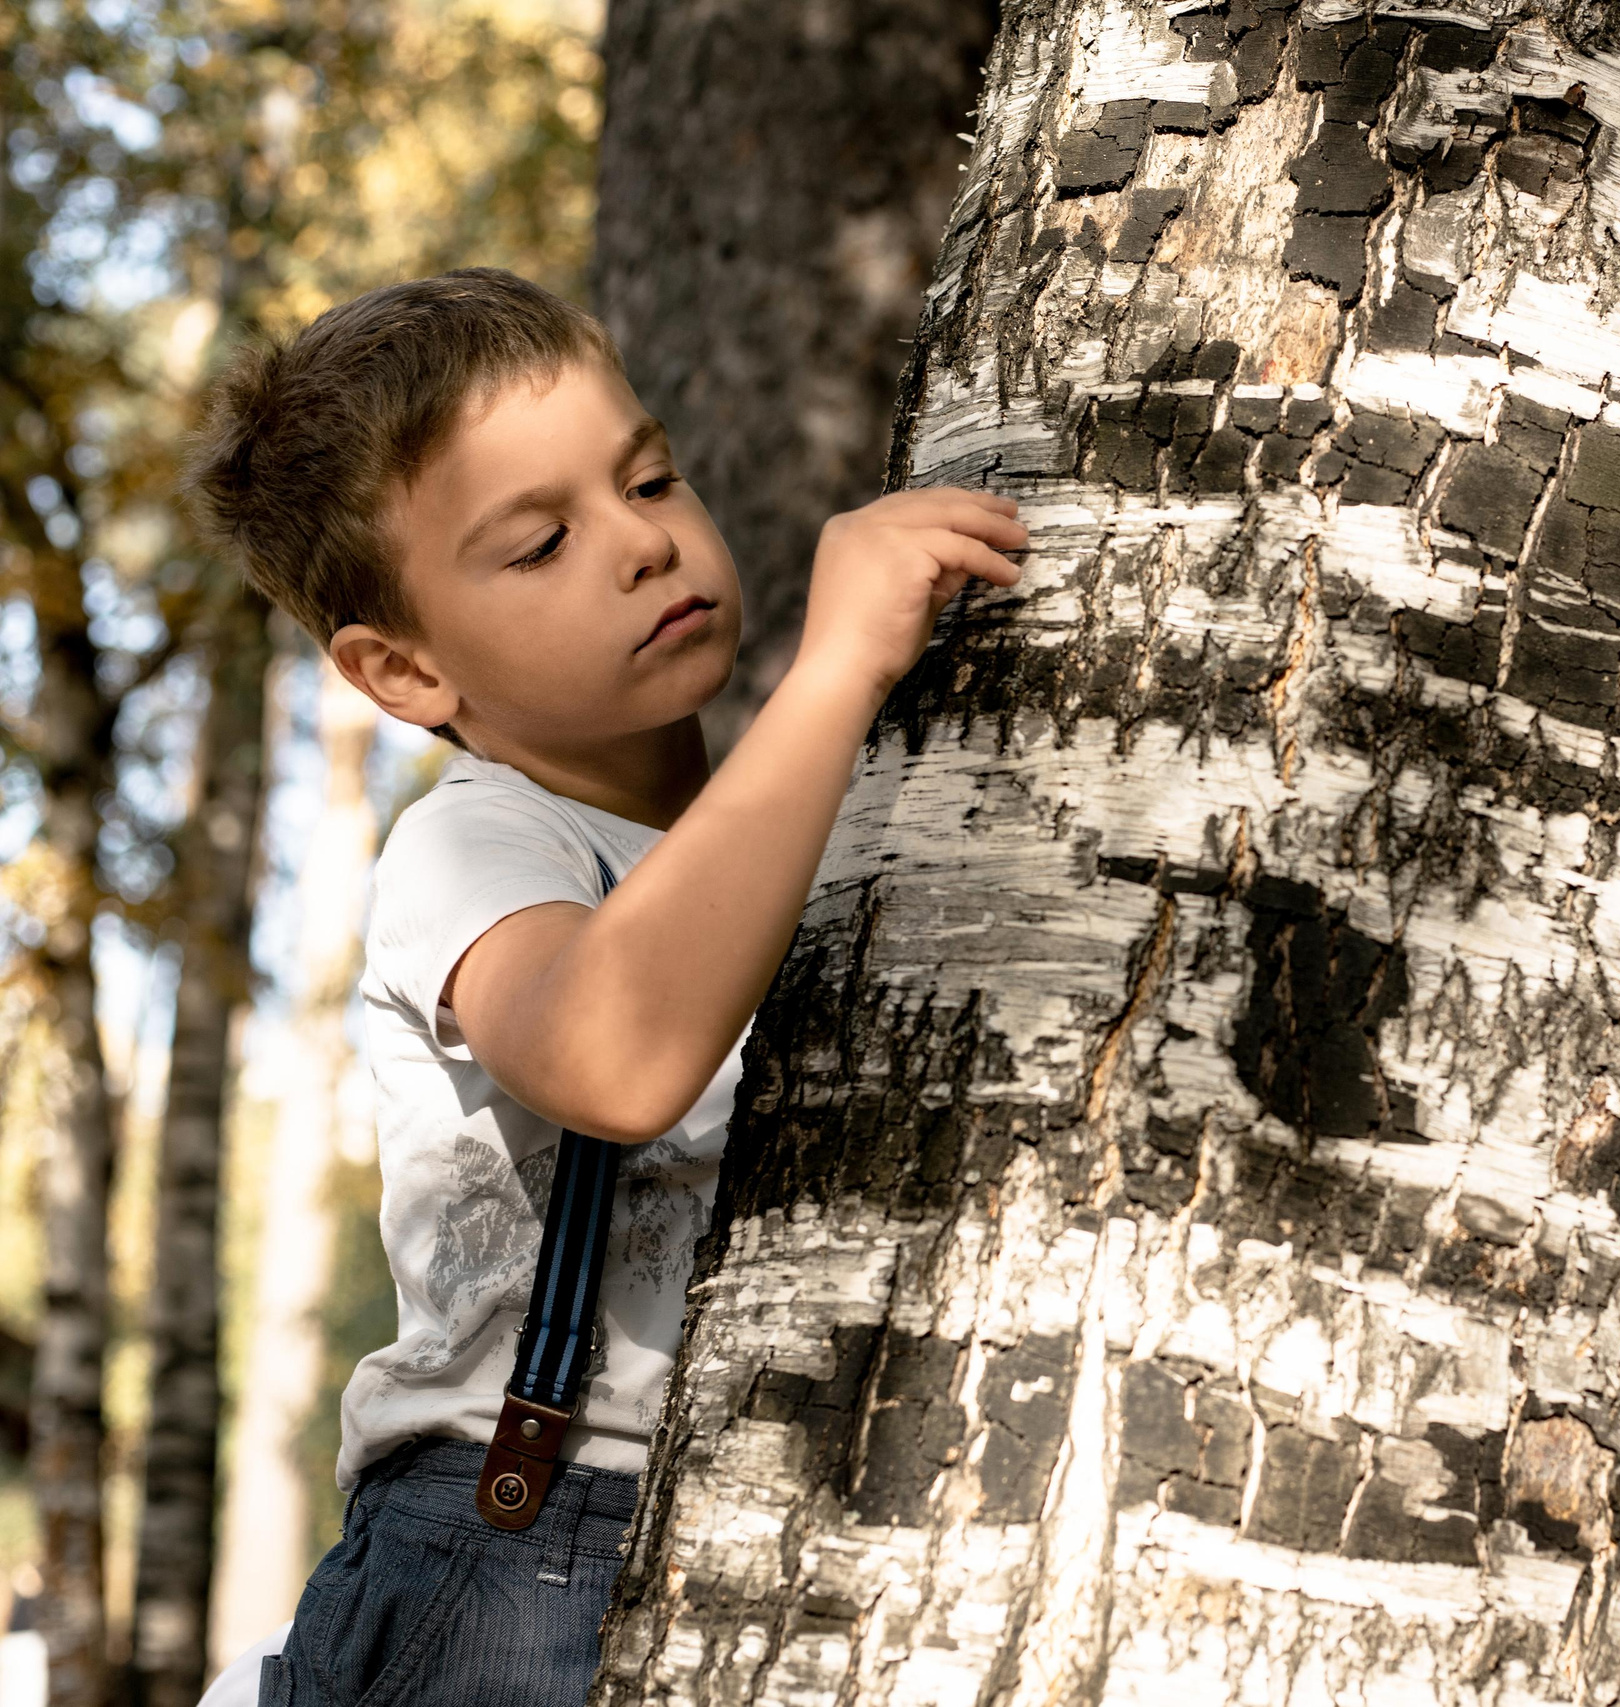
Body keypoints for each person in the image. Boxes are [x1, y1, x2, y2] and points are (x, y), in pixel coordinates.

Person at [183, 267, 1025, 1707]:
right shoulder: (474, 839)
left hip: (767, 1513)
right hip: (517, 1553)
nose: (640, 544)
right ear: (404, 670)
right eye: (539, 544)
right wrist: (831, 670)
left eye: (650, 480)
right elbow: (614, 1055)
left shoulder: (802, 817)